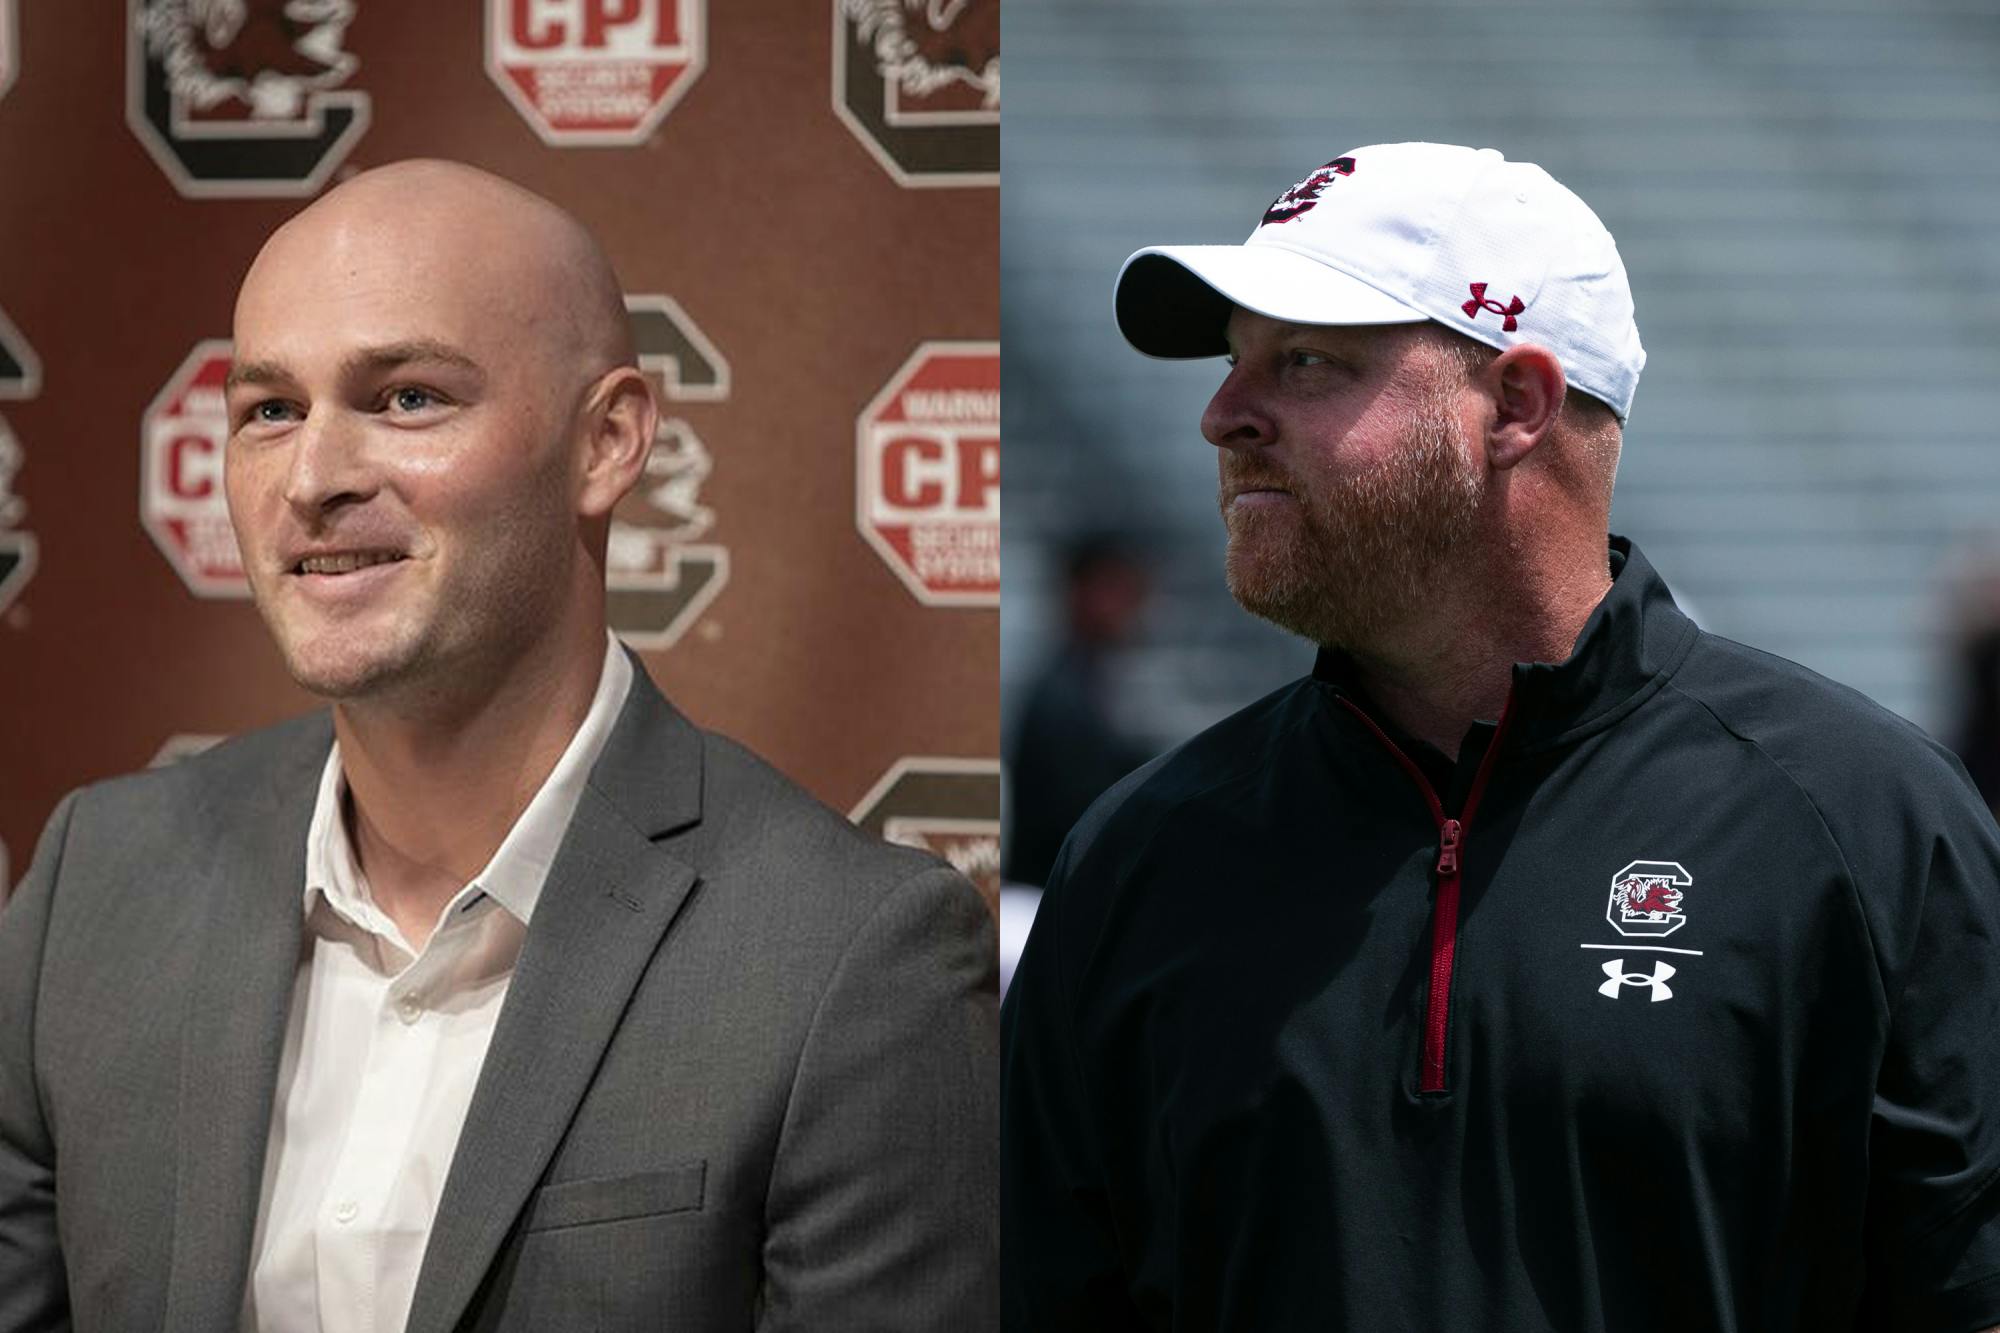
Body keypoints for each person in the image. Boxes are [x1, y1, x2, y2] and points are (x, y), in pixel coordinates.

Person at [1000, 141, 2000, 1331]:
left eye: (1304, 360)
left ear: (1515, 407)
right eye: (1233, 362)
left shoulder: (1864, 823)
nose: (1223, 416)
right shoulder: (1137, 857)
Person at [0, 161, 997, 1332]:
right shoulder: (99, 879)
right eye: (270, 410)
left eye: (407, 398)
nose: (312, 478)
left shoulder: (851, 960)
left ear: (606, 443)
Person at [1004, 533, 1155, 888]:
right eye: (1114, 589)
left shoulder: (1088, 685)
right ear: (1078, 592)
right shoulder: (1062, 697)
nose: (1131, 606)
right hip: (1051, 893)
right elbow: (1086, 817)